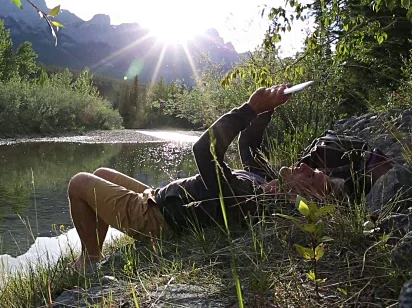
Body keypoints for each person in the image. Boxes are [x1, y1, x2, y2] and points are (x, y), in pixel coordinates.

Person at [68, 85, 344, 271]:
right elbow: (249, 145)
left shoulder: (248, 198)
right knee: (102, 173)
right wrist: (267, 108)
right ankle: (92, 250)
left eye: (311, 178)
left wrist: (248, 109)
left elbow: (204, 150)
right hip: (160, 196)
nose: (306, 167)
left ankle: (90, 260)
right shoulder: (264, 180)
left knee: (79, 183)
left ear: (299, 199)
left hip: (157, 217)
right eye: (314, 170)